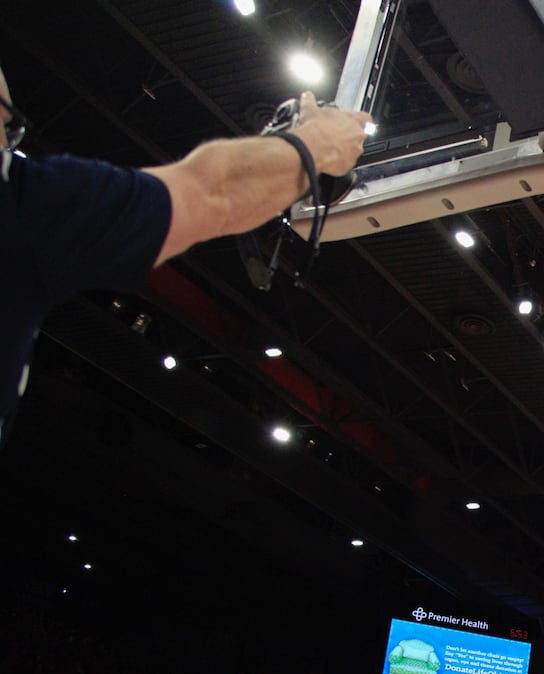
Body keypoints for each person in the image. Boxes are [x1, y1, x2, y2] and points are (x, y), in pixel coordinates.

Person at [0, 67, 370, 446]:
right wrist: (314, 142)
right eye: (9, 129)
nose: (11, 148)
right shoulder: (18, 197)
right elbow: (214, 194)